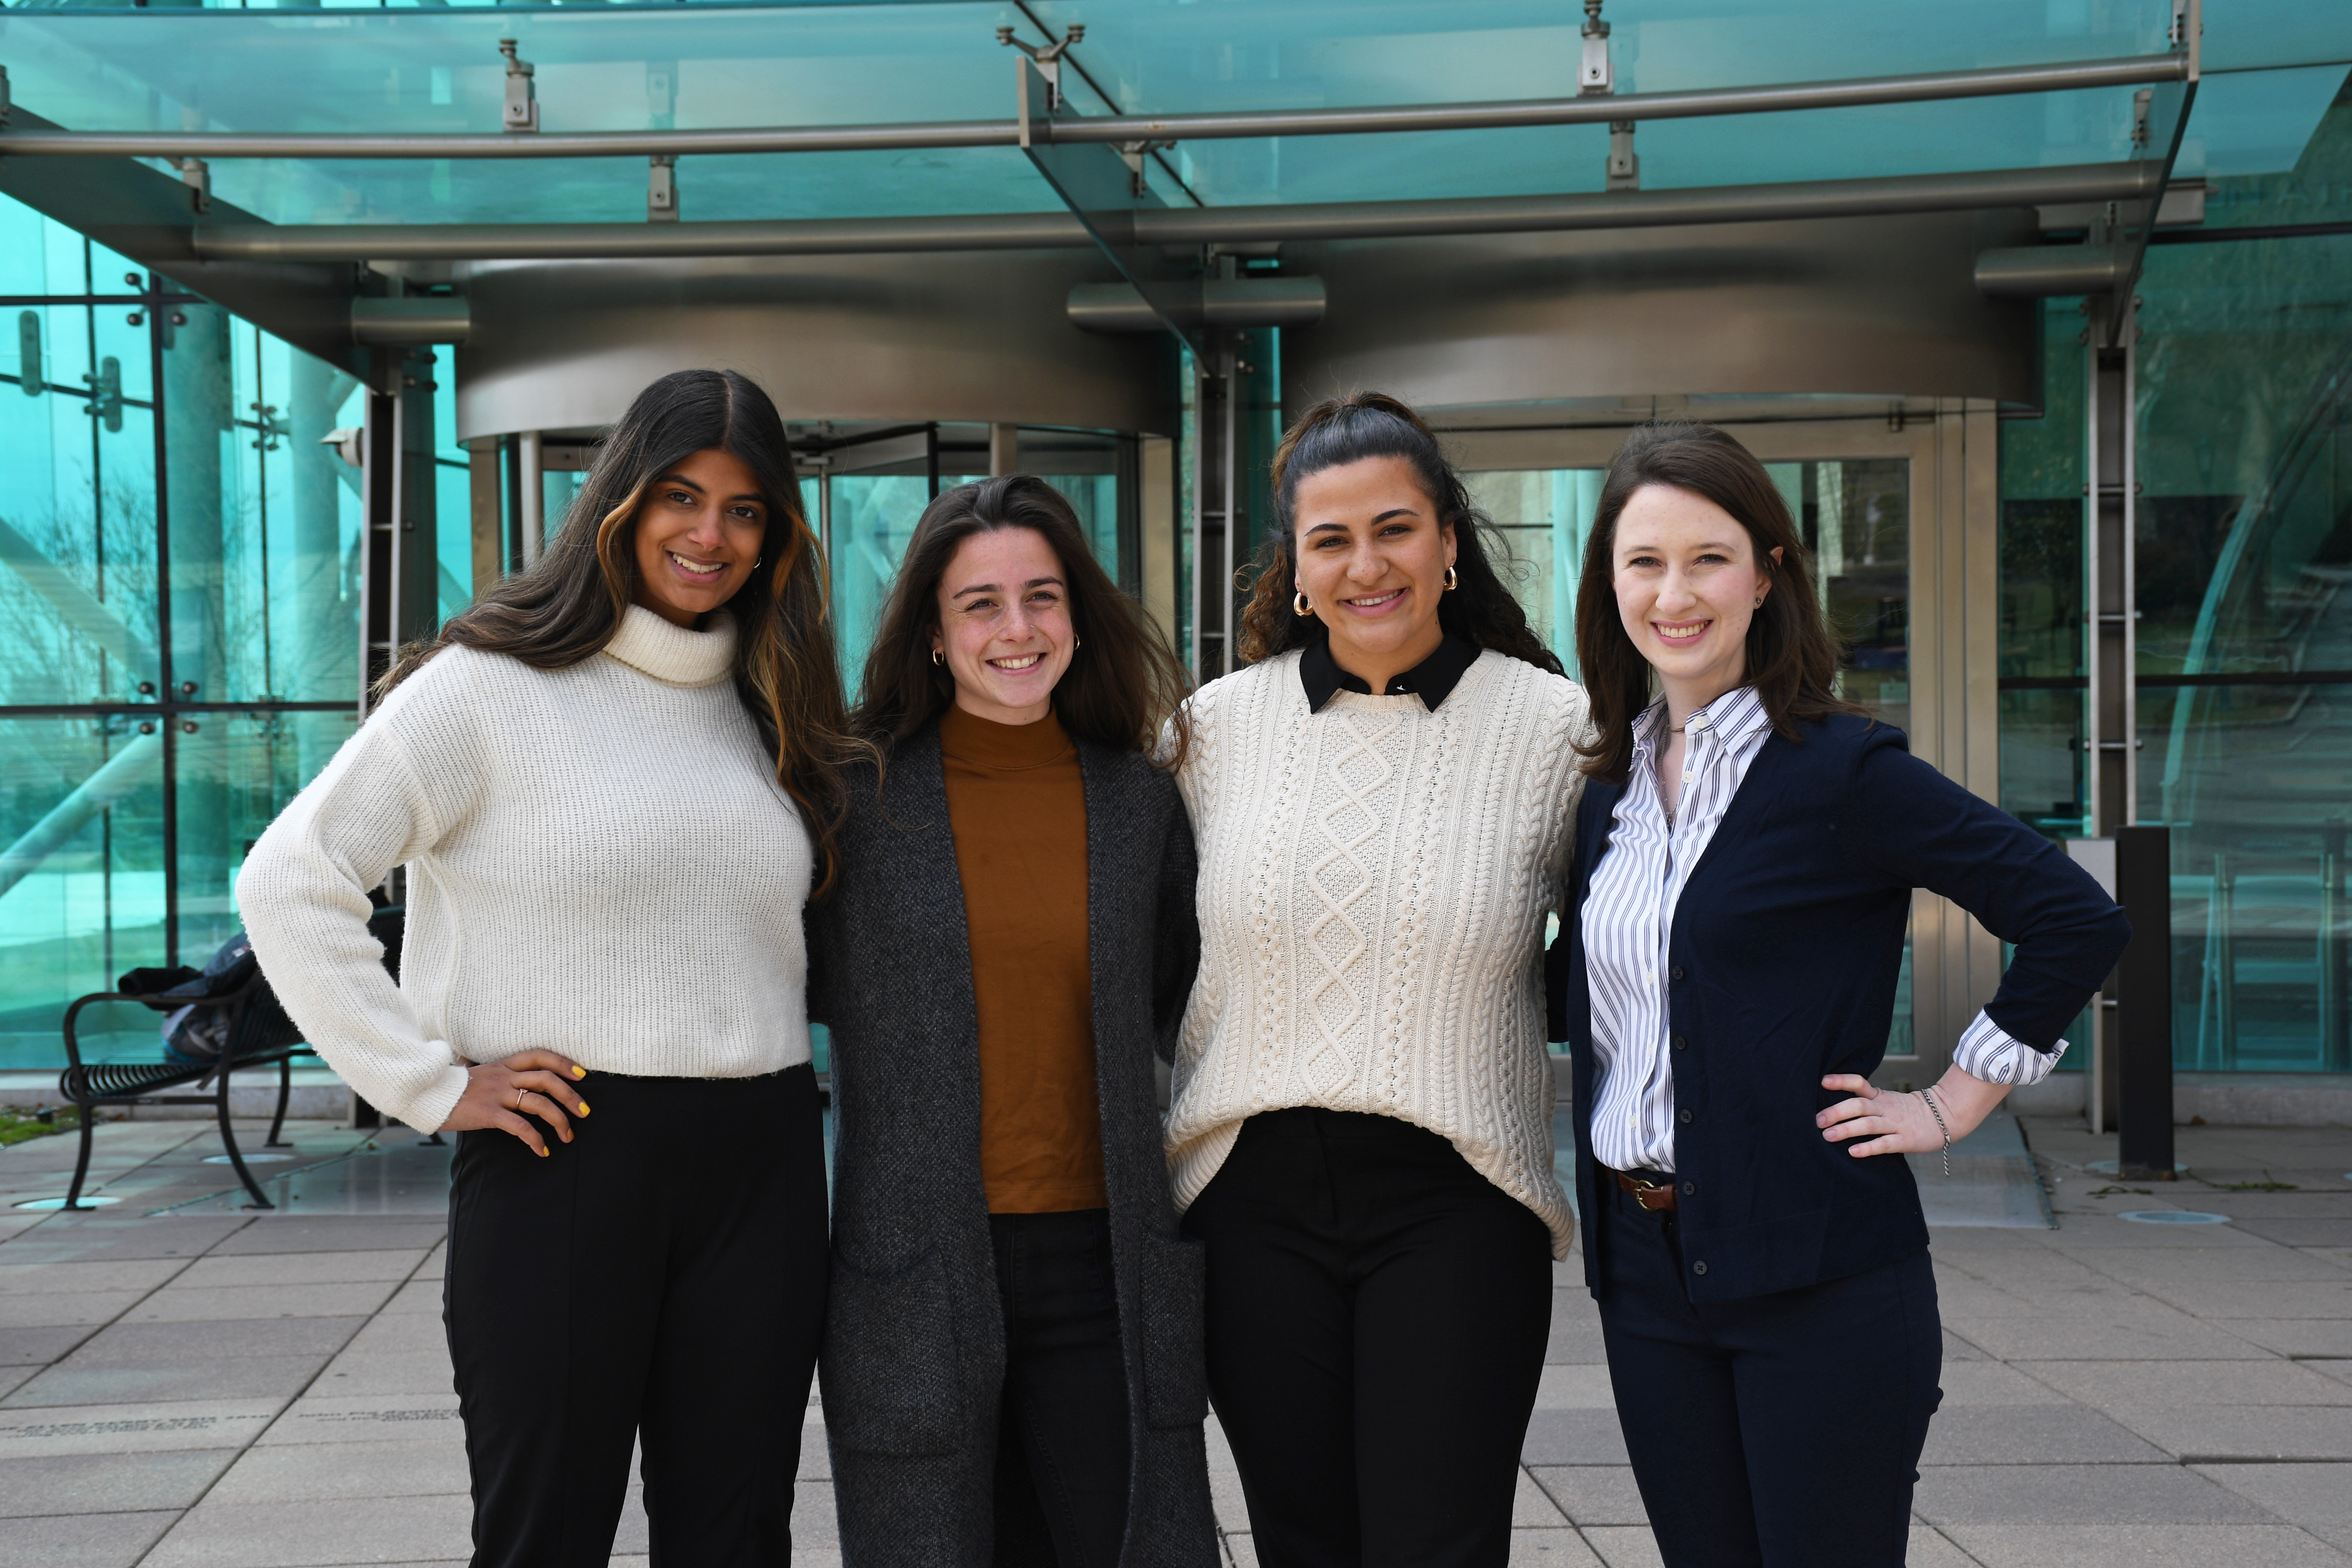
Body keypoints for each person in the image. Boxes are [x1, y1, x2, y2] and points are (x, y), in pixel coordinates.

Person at [238, 369, 861, 1568]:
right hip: (567, 1153)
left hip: (765, 1167)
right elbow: (291, 879)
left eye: (745, 510)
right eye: (682, 496)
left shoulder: (774, 705)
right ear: (619, 500)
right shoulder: (486, 689)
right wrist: (425, 1082)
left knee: (738, 1539)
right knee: (544, 1539)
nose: (711, 535)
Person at [1547, 421, 2131, 1567]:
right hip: (1649, 1278)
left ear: (1768, 575)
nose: (1676, 592)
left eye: (1709, 557)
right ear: (1609, 580)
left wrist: (1954, 1100)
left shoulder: (1843, 771)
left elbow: (2076, 916)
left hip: (1820, 1280)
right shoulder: (1604, 788)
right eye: (1644, 561)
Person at [1167, 392, 1591, 1566]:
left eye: (1395, 529)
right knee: (1304, 1543)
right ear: (1296, 569)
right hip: (1248, 1198)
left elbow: (1641, 950)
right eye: (1332, 540)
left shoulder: (1558, 732)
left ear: (1451, 541)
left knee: (1437, 1545)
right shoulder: (1210, 732)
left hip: (1459, 1196)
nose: (1369, 566)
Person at [810, 474, 1217, 1568]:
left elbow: (1193, 1005)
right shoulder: (856, 805)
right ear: (935, 636)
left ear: (1078, 615)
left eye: (1042, 596)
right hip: (916, 1271)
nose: (1018, 628)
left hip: (1108, 1270)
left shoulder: (1140, 805)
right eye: (980, 604)